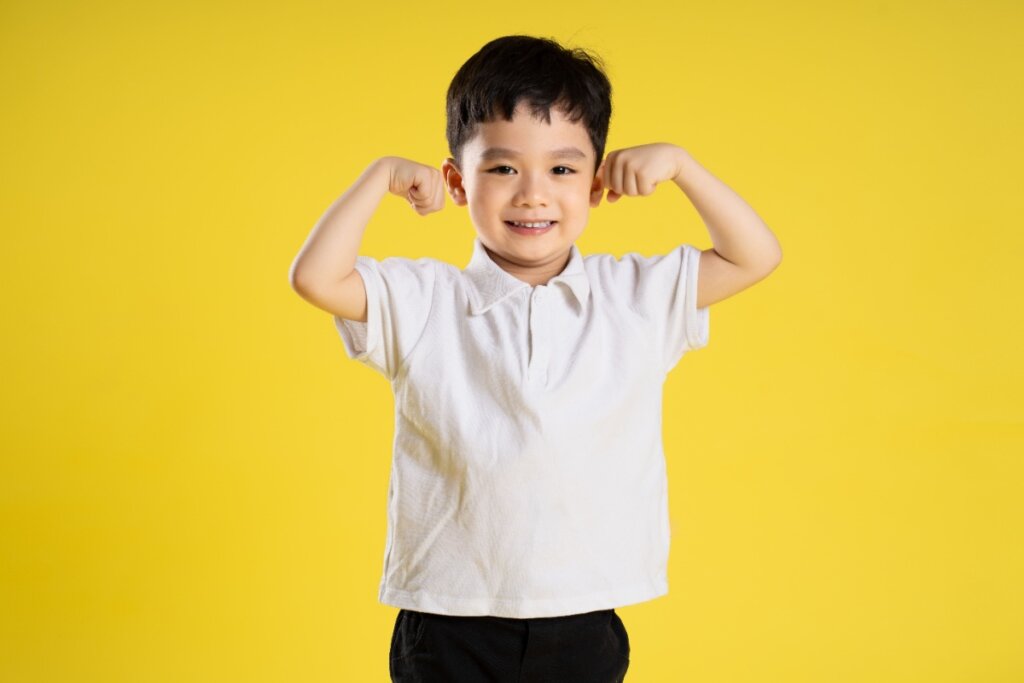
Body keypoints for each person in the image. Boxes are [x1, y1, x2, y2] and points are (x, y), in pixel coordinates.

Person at [289, 34, 782, 683]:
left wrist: (684, 168)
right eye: (501, 168)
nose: (532, 194)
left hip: (581, 610)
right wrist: (378, 176)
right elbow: (316, 279)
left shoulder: (632, 296)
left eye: (561, 168)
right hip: (448, 611)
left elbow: (755, 256)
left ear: (598, 181)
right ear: (456, 182)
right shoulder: (427, 301)